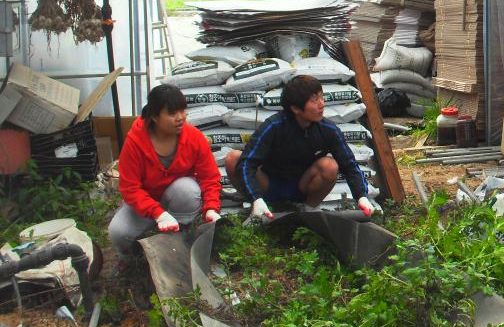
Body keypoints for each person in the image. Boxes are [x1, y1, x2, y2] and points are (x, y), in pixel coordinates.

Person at [225, 75, 372, 220]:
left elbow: (350, 166)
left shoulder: (328, 130)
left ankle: (309, 210)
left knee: (330, 166)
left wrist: (361, 197)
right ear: (295, 108)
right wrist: (255, 197)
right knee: (234, 159)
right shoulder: (273, 126)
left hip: (302, 187)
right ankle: (259, 208)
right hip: (269, 185)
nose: (321, 104)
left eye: (322, 97)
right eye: (314, 100)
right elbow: (247, 163)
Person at [109, 84, 222, 258]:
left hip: (177, 200)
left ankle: (179, 239)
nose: (180, 118)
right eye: (172, 113)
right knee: (118, 232)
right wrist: (158, 213)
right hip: (144, 205)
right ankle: (131, 259)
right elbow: (130, 188)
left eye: (183, 111)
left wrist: (211, 209)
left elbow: (210, 177)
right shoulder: (135, 142)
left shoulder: (194, 137)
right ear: (154, 116)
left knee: (187, 189)